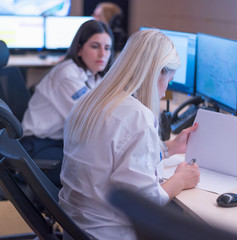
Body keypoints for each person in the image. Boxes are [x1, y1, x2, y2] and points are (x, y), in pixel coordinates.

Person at [59, 29, 200, 239]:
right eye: (168, 81)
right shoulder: (136, 117)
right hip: (109, 233)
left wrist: (170, 147)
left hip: (75, 225)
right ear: (156, 73)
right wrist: (180, 179)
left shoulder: (91, 99)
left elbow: (111, 154)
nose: (163, 93)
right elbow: (146, 204)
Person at [20, 20, 114, 187]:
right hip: (38, 145)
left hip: (61, 140)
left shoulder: (94, 75)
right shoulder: (67, 75)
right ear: (79, 49)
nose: (102, 54)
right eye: (95, 46)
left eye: (107, 48)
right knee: (99, 167)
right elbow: (92, 121)